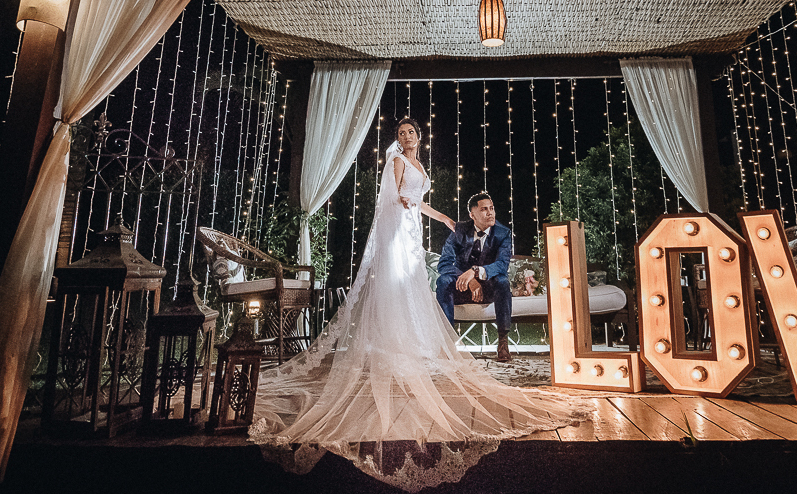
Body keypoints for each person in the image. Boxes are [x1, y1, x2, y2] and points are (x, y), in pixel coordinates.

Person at [250, 117, 586, 491]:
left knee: (413, 287)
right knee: (399, 287)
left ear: (419, 136)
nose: (405, 137)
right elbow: (390, 200)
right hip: (396, 234)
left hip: (413, 231)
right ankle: (393, 347)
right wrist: (407, 203)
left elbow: (418, 201)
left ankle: (410, 345)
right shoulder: (397, 162)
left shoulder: (421, 166)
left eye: (410, 132)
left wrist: (440, 216)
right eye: (400, 134)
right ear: (397, 141)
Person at [437, 192, 513, 362]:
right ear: (472, 215)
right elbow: (444, 264)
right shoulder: (459, 231)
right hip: (462, 288)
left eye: (492, 208)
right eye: (484, 209)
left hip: (489, 289)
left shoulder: (503, 233)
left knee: (502, 280)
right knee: (443, 281)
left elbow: (502, 265)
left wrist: (476, 272)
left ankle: (503, 342)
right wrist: (469, 280)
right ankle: (447, 343)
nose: (490, 213)